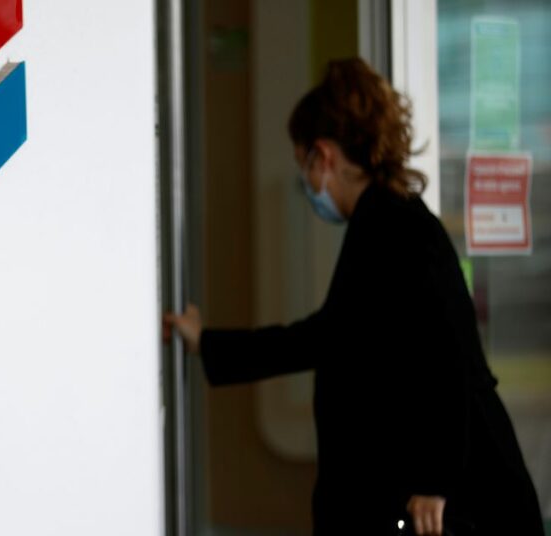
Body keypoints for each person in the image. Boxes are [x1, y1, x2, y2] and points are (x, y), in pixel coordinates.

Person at [165, 58, 543, 535]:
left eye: (302, 160)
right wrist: (210, 343)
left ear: (322, 156)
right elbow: (334, 336)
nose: (307, 182)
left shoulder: (393, 225)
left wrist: (435, 477)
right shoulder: (386, 220)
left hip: (459, 495)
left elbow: (449, 353)